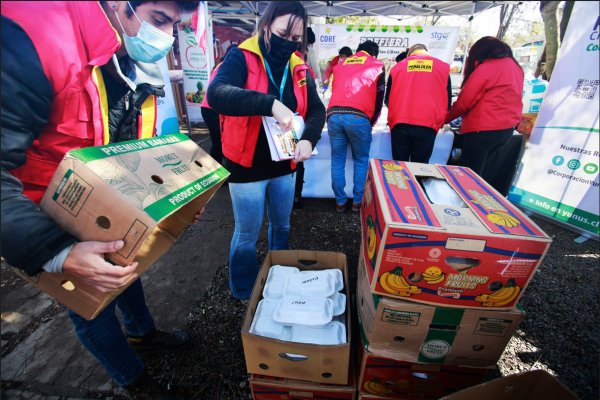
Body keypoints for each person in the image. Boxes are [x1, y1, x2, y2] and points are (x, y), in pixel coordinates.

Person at [1, 1, 200, 399]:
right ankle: (132, 379)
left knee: (125, 271)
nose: (164, 37)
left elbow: (127, 139)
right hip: (49, 213)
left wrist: (169, 198)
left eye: (173, 26)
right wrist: (55, 251)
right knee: (91, 303)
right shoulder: (35, 34)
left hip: (105, 197)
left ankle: (143, 333)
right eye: (158, 20)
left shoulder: (125, 56)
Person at [206, 1, 325, 301]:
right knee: (246, 235)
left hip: (285, 166)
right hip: (246, 167)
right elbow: (217, 93)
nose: (289, 41)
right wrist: (268, 103)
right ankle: (244, 290)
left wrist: (309, 139)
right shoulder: (242, 56)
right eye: (284, 32)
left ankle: (280, 277)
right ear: (266, 24)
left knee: (282, 226)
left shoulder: (299, 67)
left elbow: (316, 111)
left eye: (296, 37)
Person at [445, 36, 524, 176]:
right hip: (506, 129)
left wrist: (444, 118)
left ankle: (465, 197)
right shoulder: (515, 67)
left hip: (482, 130)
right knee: (483, 171)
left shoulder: (487, 68)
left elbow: (465, 101)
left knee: (469, 173)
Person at [326, 40, 385, 213]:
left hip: (334, 114)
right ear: (374, 54)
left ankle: (340, 202)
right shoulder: (377, 65)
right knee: (360, 160)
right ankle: (357, 202)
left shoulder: (341, 64)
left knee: (337, 160)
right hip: (359, 117)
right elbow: (379, 97)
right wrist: (372, 121)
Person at [386, 44, 451, 163]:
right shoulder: (443, 68)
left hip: (400, 124)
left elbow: (387, 100)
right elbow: (448, 102)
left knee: (399, 168)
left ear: (409, 54)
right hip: (428, 125)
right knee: (420, 169)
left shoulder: (397, 67)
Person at [201, 44, 237, 165]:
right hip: (212, 109)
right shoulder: (227, 67)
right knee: (219, 142)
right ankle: (216, 171)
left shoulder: (220, 65)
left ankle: (216, 170)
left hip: (208, 108)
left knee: (218, 141)